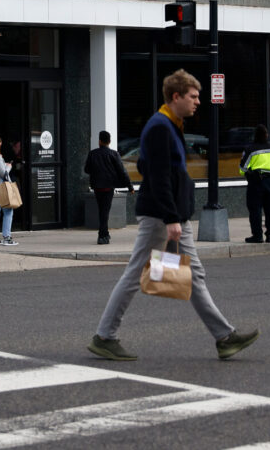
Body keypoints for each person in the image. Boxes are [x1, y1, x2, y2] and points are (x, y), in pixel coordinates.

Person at [88, 69, 260, 362]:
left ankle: (224, 337)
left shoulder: (171, 124)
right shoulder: (160, 126)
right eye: (193, 97)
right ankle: (105, 337)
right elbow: (157, 175)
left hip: (173, 214)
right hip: (161, 217)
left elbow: (145, 165)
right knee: (135, 274)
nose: (198, 102)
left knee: (193, 275)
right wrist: (170, 218)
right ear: (176, 97)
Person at [84, 130, 133, 245]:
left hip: (97, 187)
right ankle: (102, 236)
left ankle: (105, 233)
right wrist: (130, 186)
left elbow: (87, 169)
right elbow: (122, 171)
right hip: (108, 187)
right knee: (104, 211)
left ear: (99, 141)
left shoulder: (92, 154)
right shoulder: (114, 154)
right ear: (109, 141)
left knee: (102, 210)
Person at [239, 124, 270, 243]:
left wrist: (250, 173)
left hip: (256, 182)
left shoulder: (250, 149)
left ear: (255, 136)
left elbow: (243, 168)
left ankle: (257, 235)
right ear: (267, 135)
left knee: (255, 210)